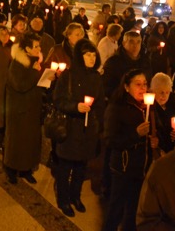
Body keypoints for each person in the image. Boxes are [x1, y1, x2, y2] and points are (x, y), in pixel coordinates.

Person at [53, 39, 105, 217]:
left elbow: (100, 103)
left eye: (93, 54)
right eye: (87, 54)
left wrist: (98, 123)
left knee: (81, 167)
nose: (92, 58)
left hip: (88, 129)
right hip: (70, 128)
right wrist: (76, 107)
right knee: (66, 166)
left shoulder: (96, 77)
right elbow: (58, 100)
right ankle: (63, 198)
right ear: (79, 56)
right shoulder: (69, 75)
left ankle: (76, 196)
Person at [103, 69, 158, 231]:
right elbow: (110, 140)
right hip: (123, 167)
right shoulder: (117, 107)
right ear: (126, 87)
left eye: (145, 84)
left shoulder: (147, 107)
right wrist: (135, 134)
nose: (143, 88)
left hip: (141, 168)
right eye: (138, 84)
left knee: (134, 210)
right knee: (116, 208)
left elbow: (154, 131)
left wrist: (154, 140)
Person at [3, 32, 44, 184]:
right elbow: (20, 86)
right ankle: (11, 169)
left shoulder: (35, 61)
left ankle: (26, 169)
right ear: (27, 49)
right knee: (16, 142)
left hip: (32, 108)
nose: (39, 49)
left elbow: (35, 82)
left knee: (30, 141)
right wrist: (35, 72)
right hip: (18, 110)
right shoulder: (17, 63)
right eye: (36, 46)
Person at [149, 73, 175, 155]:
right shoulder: (149, 107)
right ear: (153, 91)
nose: (164, 96)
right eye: (161, 92)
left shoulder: (174, 105)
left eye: (167, 92)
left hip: (173, 149)